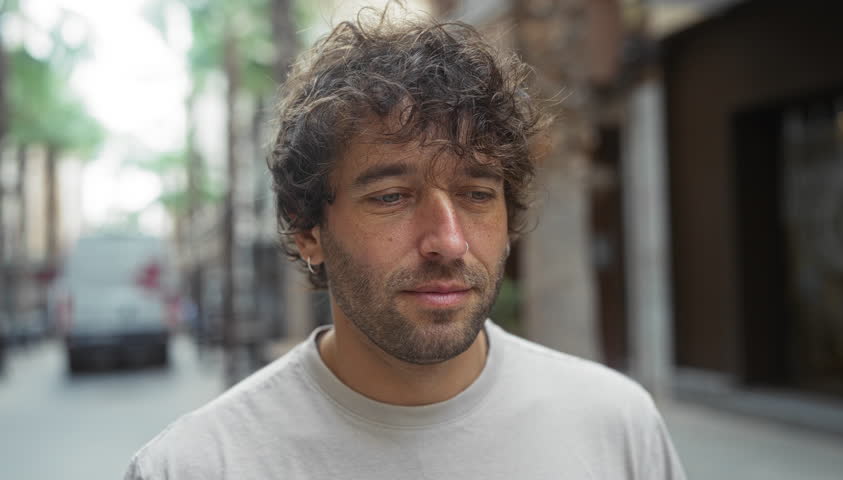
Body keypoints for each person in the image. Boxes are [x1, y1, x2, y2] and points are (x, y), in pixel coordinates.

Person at [125, 9, 686, 480]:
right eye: (391, 197)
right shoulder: (199, 465)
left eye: (476, 194)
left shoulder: (616, 427)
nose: (447, 240)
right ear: (306, 229)